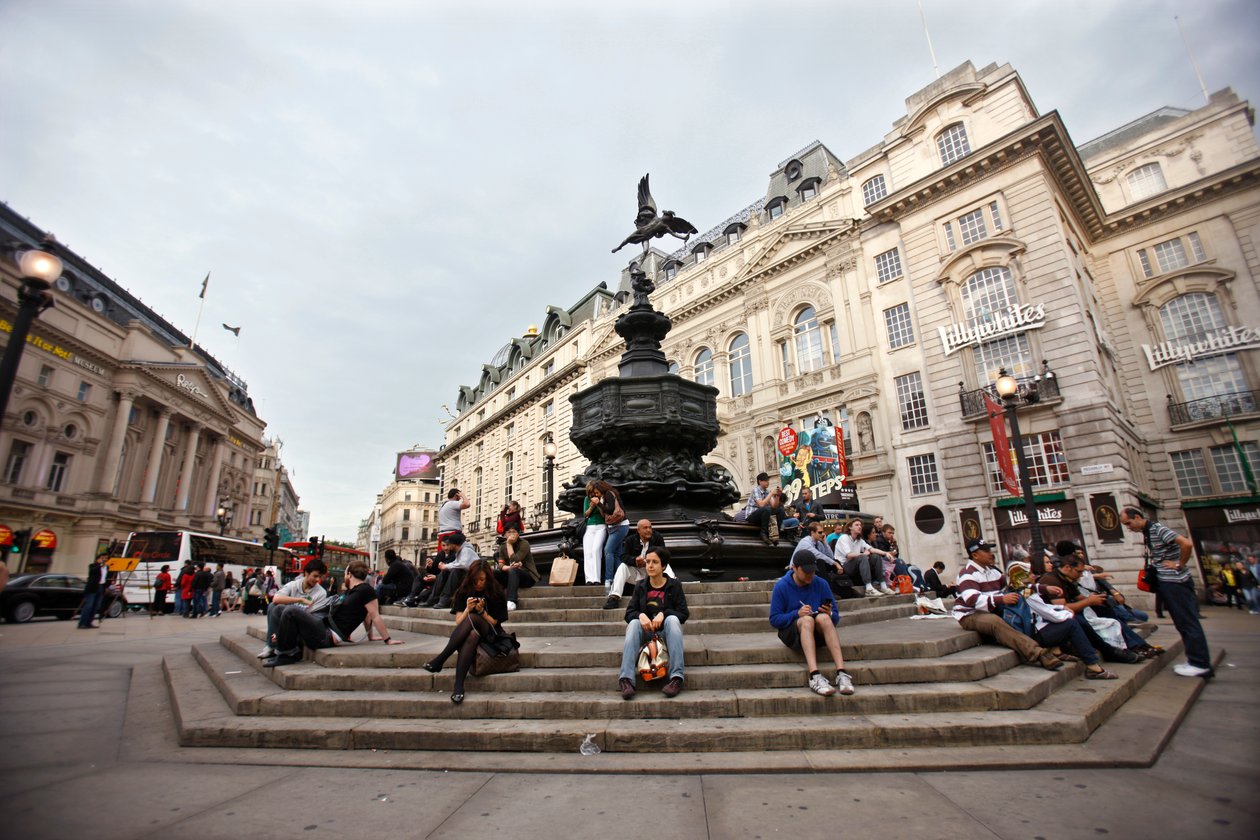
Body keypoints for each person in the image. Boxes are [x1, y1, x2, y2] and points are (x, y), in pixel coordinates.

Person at [951, 539, 1075, 674]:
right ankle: (1037, 653)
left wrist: (1044, 589)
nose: (990, 554)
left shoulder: (994, 572)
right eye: (986, 551)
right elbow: (972, 600)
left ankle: (1053, 645)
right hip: (970, 614)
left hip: (994, 608)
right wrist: (1002, 599)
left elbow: (1015, 587)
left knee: (1023, 610)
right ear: (975, 555)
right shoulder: (967, 574)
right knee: (994, 621)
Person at [1119, 508, 1213, 678]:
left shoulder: (1157, 529)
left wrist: (1179, 564)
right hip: (1168, 581)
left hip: (1174, 582)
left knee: (1187, 622)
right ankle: (1195, 660)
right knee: (1182, 622)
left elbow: (1186, 543)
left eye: (1128, 523)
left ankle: (1200, 663)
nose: (1128, 527)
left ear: (1138, 517)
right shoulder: (1149, 532)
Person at [264, 559, 402, 668]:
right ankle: (278, 646)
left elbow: (374, 615)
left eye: (345, 573)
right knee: (278, 608)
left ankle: (286, 654)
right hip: (322, 626)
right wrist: (370, 636)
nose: (344, 576)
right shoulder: (352, 592)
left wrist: (387, 639)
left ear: (349, 574)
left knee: (291, 610)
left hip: (328, 635)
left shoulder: (366, 590)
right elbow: (366, 616)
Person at [423, 559, 509, 704]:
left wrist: (482, 612)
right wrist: (467, 610)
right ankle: (458, 687)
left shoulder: (496, 591)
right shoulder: (465, 590)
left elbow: (495, 622)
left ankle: (440, 659)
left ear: (488, 577)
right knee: (471, 635)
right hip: (470, 632)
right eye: (476, 580)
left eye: (482, 579)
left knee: (475, 617)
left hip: (491, 633)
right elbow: (458, 621)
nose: (479, 583)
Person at [769, 552, 855, 696]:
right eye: (806, 571)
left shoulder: (821, 583)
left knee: (824, 619)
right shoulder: (782, 586)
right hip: (793, 632)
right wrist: (796, 614)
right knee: (807, 620)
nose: (810, 575)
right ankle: (814, 674)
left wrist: (829, 614)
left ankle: (842, 672)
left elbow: (835, 617)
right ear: (794, 568)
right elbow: (774, 619)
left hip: (817, 632)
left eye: (813, 571)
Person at [1038, 553, 1150, 662]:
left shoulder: (1068, 579)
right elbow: (1063, 607)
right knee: (1078, 621)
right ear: (1068, 568)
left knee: (1106, 610)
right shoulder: (1051, 580)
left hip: (1068, 613)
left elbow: (1078, 597)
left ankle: (1137, 645)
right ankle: (1109, 651)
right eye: (1079, 571)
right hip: (1054, 618)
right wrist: (1088, 601)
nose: (1081, 575)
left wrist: (1097, 600)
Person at [617, 547, 688, 700]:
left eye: (655, 562)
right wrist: (640, 615)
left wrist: (664, 614)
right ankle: (626, 679)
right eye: (648, 562)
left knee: (673, 620)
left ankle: (676, 678)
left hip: (665, 634)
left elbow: (683, 614)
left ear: (663, 566)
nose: (650, 565)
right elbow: (629, 613)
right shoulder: (641, 586)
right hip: (646, 634)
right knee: (634, 623)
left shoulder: (674, 585)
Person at [257, 558, 331, 660]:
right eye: (315, 576)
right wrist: (300, 600)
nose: (318, 580)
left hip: (302, 627)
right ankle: (272, 645)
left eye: (320, 577)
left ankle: (280, 647)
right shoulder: (293, 585)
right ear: (306, 573)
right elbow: (276, 599)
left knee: (282, 609)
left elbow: (313, 618)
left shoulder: (321, 592)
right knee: (273, 606)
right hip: (285, 623)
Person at [603, 519, 673, 609]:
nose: (648, 530)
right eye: (645, 528)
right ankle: (614, 597)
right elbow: (623, 556)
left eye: (650, 527)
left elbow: (665, 555)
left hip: (654, 573)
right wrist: (634, 560)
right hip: (637, 573)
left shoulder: (657, 538)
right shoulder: (630, 540)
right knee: (623, 567)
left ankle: (672, 593)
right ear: (638, 530)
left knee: (666, 567)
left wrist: (649, 561)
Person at [834, 518, 892, 597]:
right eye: (857, 525)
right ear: (850, 527)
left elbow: (872, 549)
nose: (860, 527)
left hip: (856, 565)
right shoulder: (844, 538)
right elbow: (849, 555)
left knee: (876, 557)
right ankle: (869, 588)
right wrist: (863, 554)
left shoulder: (859, 540)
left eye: (860, 525)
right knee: (863, 557)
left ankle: (883, 585)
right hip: (845, 566)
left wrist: (886, 553)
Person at [421, 531, 478, 609]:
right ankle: (433, 599)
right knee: (445, 571)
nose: (448, 547)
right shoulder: (460, 551)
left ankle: (445, 600)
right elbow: (456, 563)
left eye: (449, 544)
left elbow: (463, 565)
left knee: (455, 571)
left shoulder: (466, 550)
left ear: (454, 545)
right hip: (466, 575)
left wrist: (446, 566)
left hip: (472, 576)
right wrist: (445, 566)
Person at [494, 526, 539, 611]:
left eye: (514, 532)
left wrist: (509, 544)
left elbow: (515, 559)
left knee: (514, 571)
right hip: (511, 574)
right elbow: (500, 565)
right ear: (505, 535)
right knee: (494, 572)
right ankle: (492, 599)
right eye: (508, 532)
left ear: (518, 534)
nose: (511, 535)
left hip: (527, 576)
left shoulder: (524, 544)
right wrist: (508, 567)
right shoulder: (503, 546)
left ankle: (511, 601)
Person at [597, 480, 630, 592]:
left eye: (596, 491)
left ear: (601, 489)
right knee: (616, 555)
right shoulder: (607, 495)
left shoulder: (608, 494)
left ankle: (609, 580)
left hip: (619, 527)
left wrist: (599, 503)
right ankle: (623, 578)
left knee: (608, 551)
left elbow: (610, 510)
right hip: (615, 527)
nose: (596, 494)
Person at [739, 473, 784, 546]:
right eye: (765, 480)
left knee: (780, 511)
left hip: (763, 514)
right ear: (760, 481)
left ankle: (775, 534)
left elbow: (774, 506)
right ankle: (763, 533)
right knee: (766, 509)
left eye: (768, 480)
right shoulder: (756, 490)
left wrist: (778, 496)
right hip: (751, 515)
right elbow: (761, 504)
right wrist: (771, 494)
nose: (768, 482)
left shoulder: (767, 491)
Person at [582, 481, 608, 587]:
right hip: (589, 527)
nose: (592, 494)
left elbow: (603, 515)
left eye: (593, 492)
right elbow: (586, 515)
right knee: (588, 553)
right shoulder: (586, 499)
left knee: (596, 550)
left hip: (601, 527)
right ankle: (589, 579)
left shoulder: (601, 498)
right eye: (590, 493)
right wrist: (592, 506)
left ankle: (596, 578)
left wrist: (598, 504)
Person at [78, 552, 110, 629]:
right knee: (89, 605)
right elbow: (92, 572)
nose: (104, 560)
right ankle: (82, 623)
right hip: (92, 587)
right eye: (103, 558)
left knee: (96, 606)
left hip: (101, 586)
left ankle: (89, 622)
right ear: (98, 559)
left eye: (106, 558)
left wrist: (106, 587)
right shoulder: (93, 565)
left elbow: (105, 578)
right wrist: (99, 564)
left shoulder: (107, 567)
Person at [437, 488, 471, 553]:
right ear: (456, 495)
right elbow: (467, 504)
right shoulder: (453, 503)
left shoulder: (442, 506)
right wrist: (463, 495)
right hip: (453, 533)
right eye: (459, 497)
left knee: (443, 556)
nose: (460, 499)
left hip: (442, 534)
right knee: (462, 553)